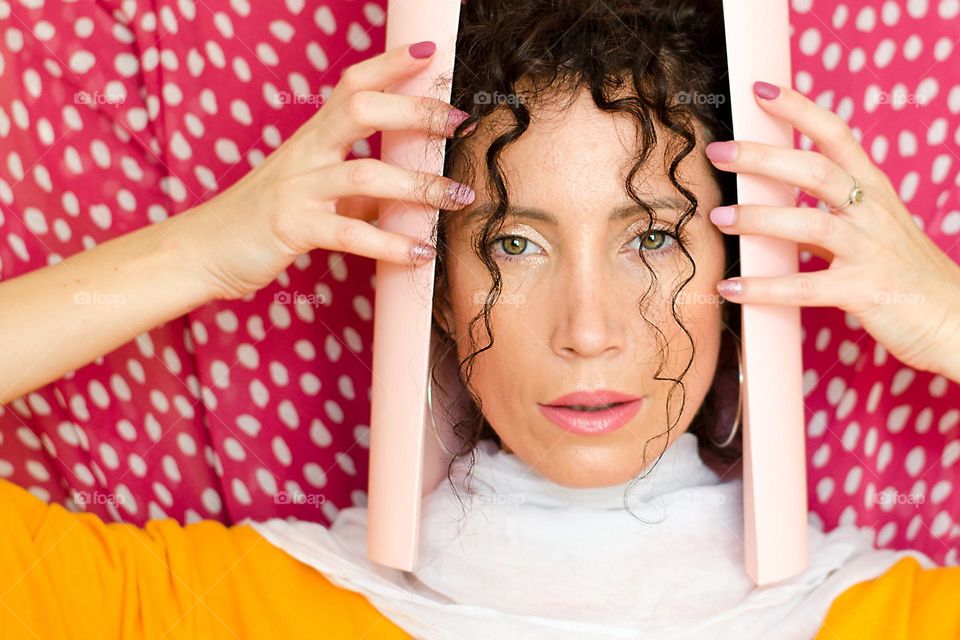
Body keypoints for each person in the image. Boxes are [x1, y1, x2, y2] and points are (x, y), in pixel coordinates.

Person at [2, 0, 960, 638]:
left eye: (654, 239)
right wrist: (202, 250)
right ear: (440, 295)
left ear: (740, 267)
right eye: (513, 244)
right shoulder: (246, 610)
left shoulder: (894, 617)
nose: (588, 331)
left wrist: (942, 311)